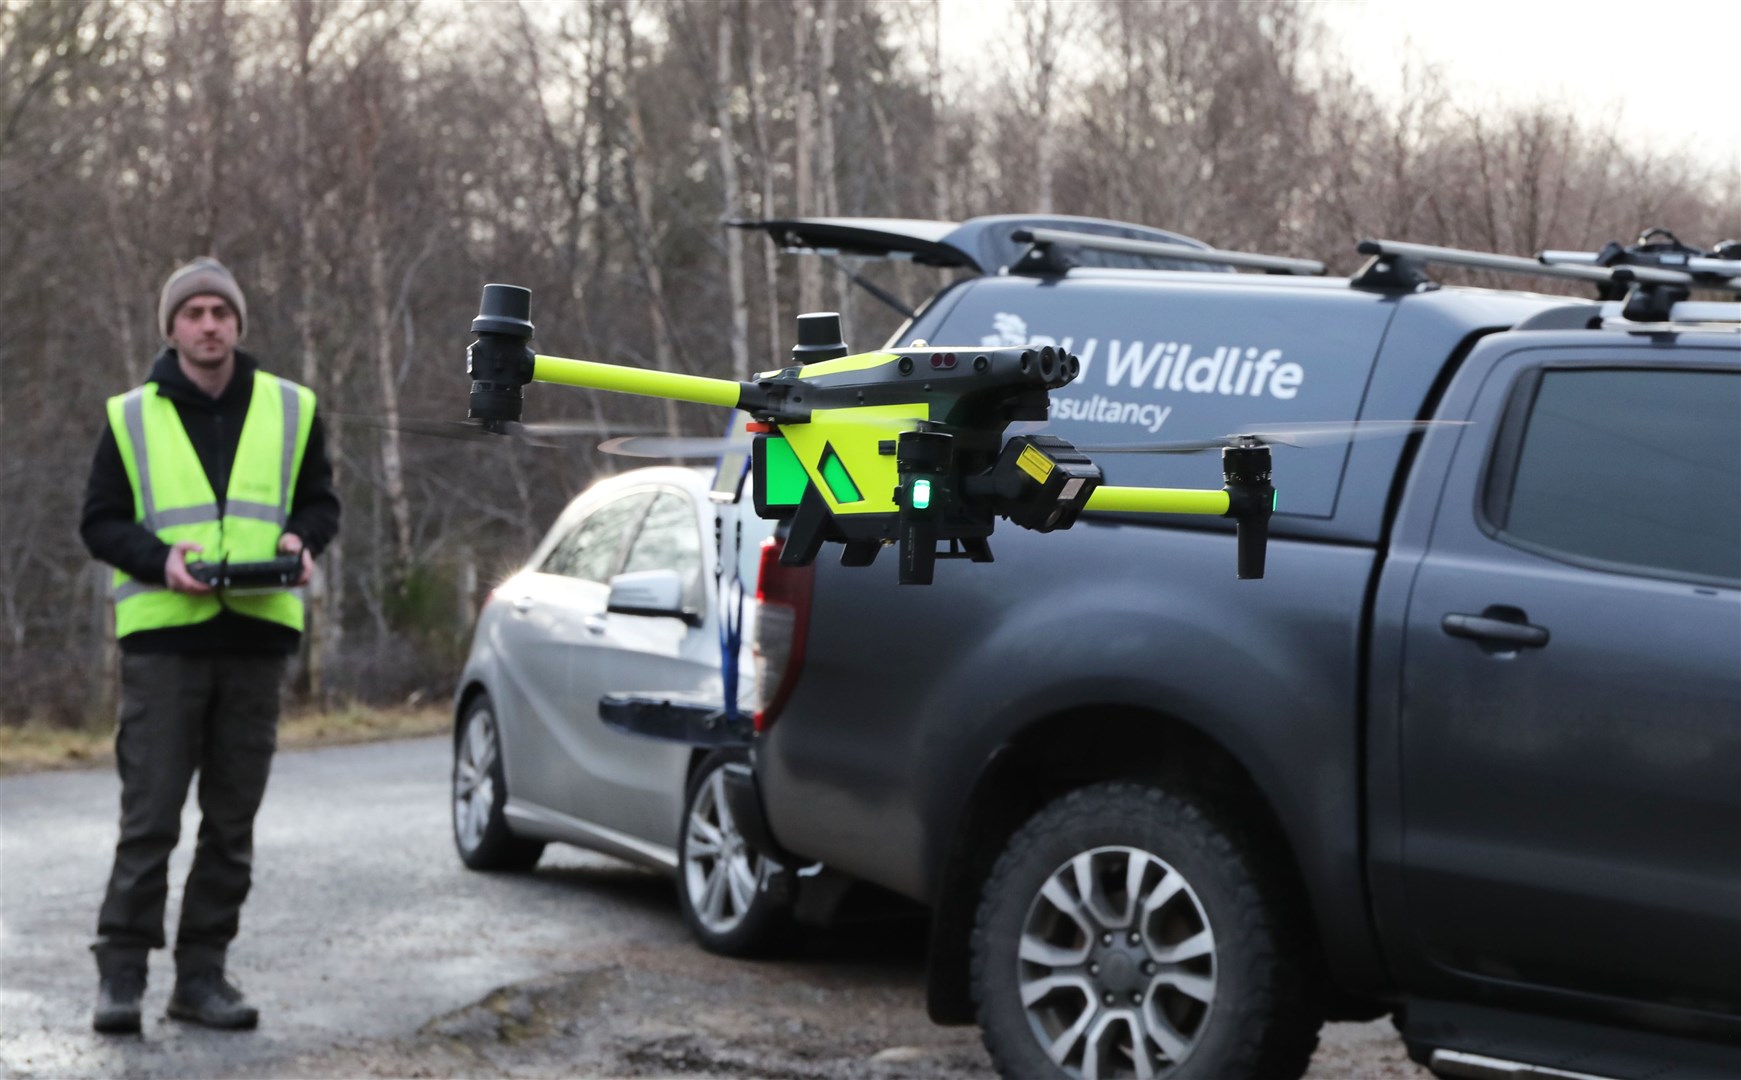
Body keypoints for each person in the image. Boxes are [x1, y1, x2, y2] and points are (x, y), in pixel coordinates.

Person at [79, 257, 340, 1034]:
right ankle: (120, 977)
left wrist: (302, 537)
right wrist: (160, 562)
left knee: (231, 825)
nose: (207, 324)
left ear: (238, 324)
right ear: (172, 327)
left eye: (219, 312)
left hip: (258, 641)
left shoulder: (292, 408)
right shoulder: (130, 416)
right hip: (164, 644)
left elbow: (321, 502)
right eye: (192, 312)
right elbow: (98, 521)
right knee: (150, 818)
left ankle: (202, 978)